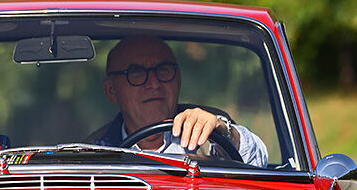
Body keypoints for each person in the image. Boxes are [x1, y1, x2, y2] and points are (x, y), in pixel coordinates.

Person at [89, 35, 269, 167]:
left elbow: (259, 163)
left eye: (163, 70)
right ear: (111, 91)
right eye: (136, 73)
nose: (154, 83)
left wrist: (226, 132)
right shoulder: (94, 153)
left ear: (178, 81)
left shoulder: (210, 136)